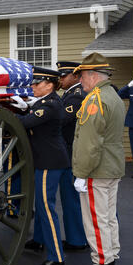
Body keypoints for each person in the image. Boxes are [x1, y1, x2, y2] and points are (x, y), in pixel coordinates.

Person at [71, 53, 125, 265]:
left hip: (96, 170)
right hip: (111, 167)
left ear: (93, 76)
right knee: (108, 219)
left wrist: (81, 173)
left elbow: (89, 143)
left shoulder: (95, 100)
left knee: (96, 222)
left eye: (82, 76)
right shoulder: (113, 95)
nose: (81, 81)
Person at [17, 67, 70, 265]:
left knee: (47, 209)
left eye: (36, 83)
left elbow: (25, 122)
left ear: (49, 85)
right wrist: (25, 105)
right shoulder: (44, 102)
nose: (32, 86)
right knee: (41, 204)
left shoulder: (51, 105)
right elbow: (32, 111)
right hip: (45, 159)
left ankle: (56, 257)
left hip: (50, 161)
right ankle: (39, 240)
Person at [56, 61, 88, 251]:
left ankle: (77, 240)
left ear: (75, 76)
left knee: (72, 199)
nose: (61, 79)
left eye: (64, 75)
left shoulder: (77, 96)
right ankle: (76, 237)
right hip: (69, 151)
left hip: (71, 152)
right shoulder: (69, 94)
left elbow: (63, 119)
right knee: (70, 198)